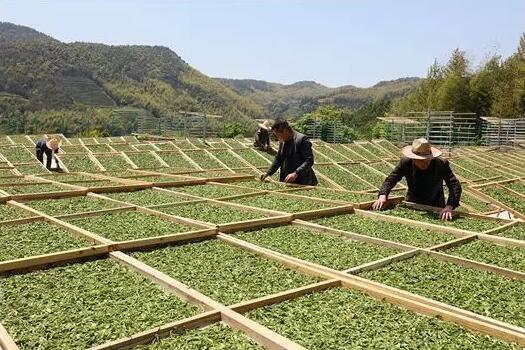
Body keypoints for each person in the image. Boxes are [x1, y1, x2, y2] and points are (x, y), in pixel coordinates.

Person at [372, 138, 461, 221]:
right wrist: (383, 195)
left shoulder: (441, 164)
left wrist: (449, 206)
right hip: (413, 202)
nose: (425, 163)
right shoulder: (406, 163)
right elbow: (391, 179)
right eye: (421, 161)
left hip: (436, 203)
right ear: (413, 159)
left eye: (427, 160)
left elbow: (454, 185)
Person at [260, 118, 318, 186]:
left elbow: (309, 160)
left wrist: (296, 173)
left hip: (303, 181)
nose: (278, 137)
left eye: (278, 134)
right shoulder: (283, 141)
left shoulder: (302, 140)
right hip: (288, 181)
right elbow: (278, 159)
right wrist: (268, 173)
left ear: (284, 131)